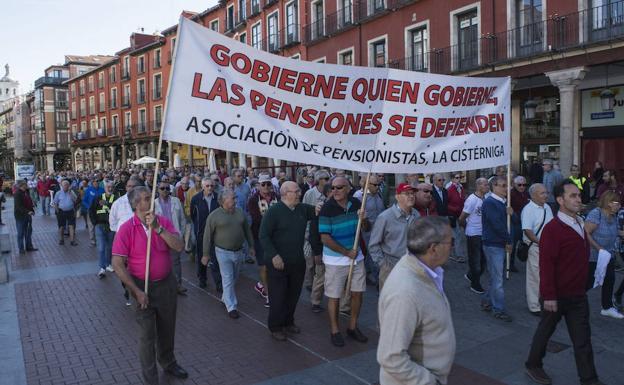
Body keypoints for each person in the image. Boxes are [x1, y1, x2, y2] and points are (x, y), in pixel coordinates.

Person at [525, 180, 602, 385]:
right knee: (545, 332)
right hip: (556, 295)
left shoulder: (579, 222)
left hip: (577, 294)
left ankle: (589, 379)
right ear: (560, 200)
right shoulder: (553, 229)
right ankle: (533, 365)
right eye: (573, 196)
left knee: (582, 340)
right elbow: (546, 264)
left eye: (579, 195)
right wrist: (549, 295)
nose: (578, 199)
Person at [111, 186, 187, 385]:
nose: (150, 201)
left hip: (166, 285)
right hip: (141, 287)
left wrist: (158, 229)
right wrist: (136, 291)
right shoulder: (127, 228)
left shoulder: (162, 222)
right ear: (136, 205)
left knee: (167, 328)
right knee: (147, 336)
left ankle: (168, 362)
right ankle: (151, 379)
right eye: (145, 198)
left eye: (151, 197)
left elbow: (179, 246)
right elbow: (117, 264)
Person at [377, 216, 456, 385]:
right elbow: (391, 357)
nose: (452, 248)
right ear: (433, 249)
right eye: (450, 242)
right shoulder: (404, 292)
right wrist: (430, 381)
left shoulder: (429, 272)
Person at [259, 181, 317, 341]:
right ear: (285, 193)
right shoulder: (274, 211)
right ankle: (275, 326)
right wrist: (274, 255)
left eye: (299, 191)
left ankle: (288, 322)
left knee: (293, 295)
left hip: (297, 261)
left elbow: (319, 211)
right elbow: (263, 236)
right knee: (278, 296)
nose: (299, 193)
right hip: (278, 263)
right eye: (296, 191)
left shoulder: (302, 208)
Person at [319, 176, 370, 347]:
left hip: (356, 257)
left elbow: (366, 228)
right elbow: (325, 238)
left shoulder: (356, 204)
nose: (335, 191)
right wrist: (346, 252)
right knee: (334, 296)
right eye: (333, 188)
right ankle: (335, 330)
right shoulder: (327, 208)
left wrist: (364, 219)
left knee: (358, 293)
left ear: (348, 188)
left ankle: (352, 327)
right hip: (336, 259)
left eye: (339, 188)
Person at [201, 189, 255, 319]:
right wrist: (205, 254)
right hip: (222, 252)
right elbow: (207, 236)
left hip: (238, 251)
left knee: (234, 278)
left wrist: (252, 246)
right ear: (223, 201)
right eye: (233, 199)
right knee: (227, 278)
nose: (235, 201)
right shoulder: (214, 216)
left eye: (235, 198)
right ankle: (232, 307)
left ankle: (225, 297)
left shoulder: (240, 212)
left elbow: (247, 230)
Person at [368, 182, 420, 291]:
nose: (411, 196)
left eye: (413, 193)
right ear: (397, 197)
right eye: (407, 193)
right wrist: (383, 264)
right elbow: (373, 245)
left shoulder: (416, 214)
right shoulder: (385, 217)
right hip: (391, 266)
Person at [584, 191, 623, 319]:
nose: (619, 205)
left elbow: (615, 231)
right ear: (608, 202)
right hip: (594, 256)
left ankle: (606, 307)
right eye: (616, 203)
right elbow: (586, 232)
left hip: (607, 255)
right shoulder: (597, 213)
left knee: (609, 279)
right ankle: (569, 299)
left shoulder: (614, 215)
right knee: (588, 281)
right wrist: (598, 248)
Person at [480, 176, 513, 322]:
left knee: (495, 276)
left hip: (497, 243)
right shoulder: (490, 203)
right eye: (503, 185)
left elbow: (514, 221)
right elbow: (496, 224)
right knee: (498, 279)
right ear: (494, 186)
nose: (506, 188)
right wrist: (508, 240)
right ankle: (498, 308)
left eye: (507, 185)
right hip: (493, 244)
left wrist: (511, 213)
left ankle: (487, 300)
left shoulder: (503, 202)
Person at [521, 183, 553, 316]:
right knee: (534, 277)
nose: (546, 195)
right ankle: (534, 306)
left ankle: (544, 301)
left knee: (547, 275)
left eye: (546, 192)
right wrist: (541, 242)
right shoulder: (528, 209)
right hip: (535, 247)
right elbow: (527, 230)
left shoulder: (547, 207)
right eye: (542, 193)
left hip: (548, 247)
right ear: (533, 195)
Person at [248, 174, 279, 307]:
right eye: (263, 184)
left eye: (268, 184)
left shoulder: (277, 197)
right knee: (264, 266)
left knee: (275, 265)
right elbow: (256, 218)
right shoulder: (253, 200)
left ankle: (262, 284)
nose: (266, 186)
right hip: (260, 237)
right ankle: (268, 294)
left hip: (277, 237)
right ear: (258, 186)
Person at [155, 180, 187, 295]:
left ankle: (178, 284)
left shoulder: (176, 201)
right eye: (162, 188)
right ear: (158, 190)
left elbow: (182, 219)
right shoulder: (154, 204)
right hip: (160, 237)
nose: (165, 191)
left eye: (167, 188)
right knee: (162, 261)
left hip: (174, 235)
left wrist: (181, 234)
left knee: (176, 262)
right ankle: (164, 285)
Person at [353, 174, 386, 285]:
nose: (377, 187)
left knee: (373, 254)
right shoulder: (360, 198)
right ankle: (379, 282)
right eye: (375, 185)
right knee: (374, 254)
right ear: (367, 184)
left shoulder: (379, 195)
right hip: (368, 231)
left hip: (381, 230)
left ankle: (366, 272)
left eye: (379, 184)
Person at [302, 169, 331, 293]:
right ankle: (309, 283)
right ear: (319, 180)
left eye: (328, 178)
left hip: (324, 232)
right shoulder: (309, 193)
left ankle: (318, 284)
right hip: (310, 231)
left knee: (320, 261)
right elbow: (303, 211)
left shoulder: (330, 193)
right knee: (310, 260)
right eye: (326, 179)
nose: (328, 181)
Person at [459, 178, 489, 294]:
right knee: (476, 261)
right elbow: (461, 218)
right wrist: (467, 228)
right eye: (485, 184)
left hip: (483, 233)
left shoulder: (485, 198)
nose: (487, 186)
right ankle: (475, 284)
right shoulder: (472, 200)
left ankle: (471, 275)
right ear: (478, 186)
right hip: (473, 234)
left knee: (483, 261)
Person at [190, 177, 221, 290]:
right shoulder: (196, 199)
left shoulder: (218, 198)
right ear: (202, 187)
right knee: (202, 257)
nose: (210, 188)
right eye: (207, 186)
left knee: (215, 258)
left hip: (216, 233)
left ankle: (218, 283)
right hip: (201, 233)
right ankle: (202, 279)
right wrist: (198, 227)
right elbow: (193, 215)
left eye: (211, 186)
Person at [90, 180, 118, 278]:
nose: (110, 189)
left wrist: (107, 203)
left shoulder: (116, 199)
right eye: (108, 187)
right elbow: (91, 210)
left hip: (111, 227)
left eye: (111, 187)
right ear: (104, 188)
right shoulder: (97, 198)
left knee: (109, 247)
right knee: (101, 247)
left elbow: (118, 211)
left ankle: (108, 264)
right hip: (100, 225)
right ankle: (102, 267)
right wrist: (94, 222)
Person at [510, 175, 530, 272]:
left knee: (525, 242)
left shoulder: (527, 193)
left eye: (524, 185)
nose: (522, 186)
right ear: (514, 184)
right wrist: (514, 216)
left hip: (525, 222)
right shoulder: (511, 194)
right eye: (519, 185)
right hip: (515, 222)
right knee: (513, 244)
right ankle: (510, 264)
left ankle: (525, 259)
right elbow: (508, 208)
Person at [447, 173, 466, 263]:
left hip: (460, 215)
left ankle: (452, 252)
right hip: (452, 216)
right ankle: (459, 255)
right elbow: (446, 204)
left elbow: (462, 200)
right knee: (458, 235)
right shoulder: (450, 189)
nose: (459, 179)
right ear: (452, 179)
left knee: (456, 235)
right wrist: (455, 208)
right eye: (457, 178)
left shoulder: (461, 188)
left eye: (460, 177)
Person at [14, 180, 37, 254]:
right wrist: (28, 211)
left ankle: (29, 247)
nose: (27, 185)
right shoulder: (17, 194)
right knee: (20, 233)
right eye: (25, 184)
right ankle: (21, 249)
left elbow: (29, 203)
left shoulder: (26, 192)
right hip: (20, 216)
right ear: (21, 185)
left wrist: (32, 210)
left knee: (28, 232)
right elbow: (19, 206)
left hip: (28, 215)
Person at [53, 180, 79, 246]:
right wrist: (57, 211)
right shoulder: (58, 193)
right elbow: (55, 203)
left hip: (70, 211)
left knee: (71, 226)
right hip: (61, 211)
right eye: (64, 185)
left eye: (67, 185)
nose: (66, 186)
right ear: (61, 186)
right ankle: (61, 239)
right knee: (61, 227)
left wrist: (70, 193)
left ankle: (72, 241)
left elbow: (75, 200)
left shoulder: (71, 192)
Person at [83, 178, 104, 246]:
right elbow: (84, 200)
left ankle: (101, 239)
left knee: (100, 225)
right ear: (92, 183)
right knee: (91, 226)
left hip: (100, 211)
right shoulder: (88, 190)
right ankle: (93, 241)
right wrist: (88, 207)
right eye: (94, 182)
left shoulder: (102, 190)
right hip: (91, 211)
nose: (96, 183)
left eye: (97, 182)